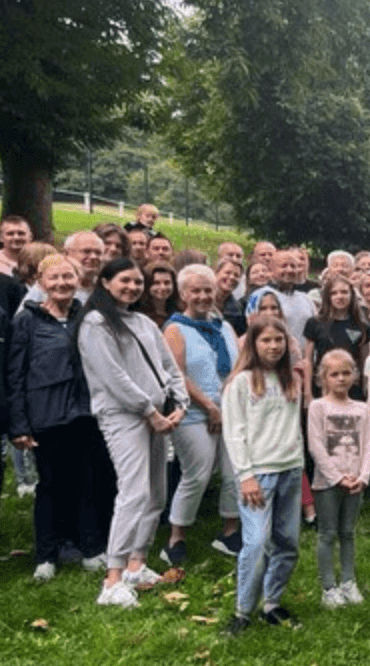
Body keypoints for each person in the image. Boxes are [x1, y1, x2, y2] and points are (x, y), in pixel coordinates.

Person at [78, 258, 188, 608]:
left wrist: (180, 403)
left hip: (159, 416)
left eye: (137, 282)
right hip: (124, 416)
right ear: (106, 282)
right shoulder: (96, 324)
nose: (132, 287)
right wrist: (149, 411)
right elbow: (112, 376)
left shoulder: (141, 321)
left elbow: (168, 366)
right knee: (134, 491)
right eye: (125, 281)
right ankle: (112, 578)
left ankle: (136, 564)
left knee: (157, 491)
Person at [6, 254, 115, 580]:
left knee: (88, 483)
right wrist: (19, 424)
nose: (62, 284)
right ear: (42, 282)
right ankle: (46, 554)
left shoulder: (88, 317)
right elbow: (16, 374)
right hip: (46, 414)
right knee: (51, 485)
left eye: (68, 277)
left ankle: (91, 549)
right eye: (54, 278)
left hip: (85, 414)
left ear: (78, 279)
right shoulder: (27, 321)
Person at [221, 316, 305, 634]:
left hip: (290, 470)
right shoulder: (241, 383)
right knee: (256, 543)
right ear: (253, 344)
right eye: (266, 340)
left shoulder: (290, 379)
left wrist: (298, 464)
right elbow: (234, 433)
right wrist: (246, 475)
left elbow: (293, 428)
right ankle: (243, 611)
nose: (273, 346)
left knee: (287, 543)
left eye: (279, 340)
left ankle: (272, 603)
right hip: (258, 475)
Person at [160, 265, 241, 566]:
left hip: (230, 411)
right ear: (183, 294)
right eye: (196, 290)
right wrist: (209, 406)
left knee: (235, 471)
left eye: (208, 290)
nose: (203, 296)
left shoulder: (225, 327)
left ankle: (229, 532)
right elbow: (177, 376)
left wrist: (227, 405)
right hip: (193, 413)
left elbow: (237, 369)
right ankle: (175, 538)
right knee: (198, 473)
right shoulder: (175, 329)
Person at [308, 350, 370, 608]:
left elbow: (368, 445)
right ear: (323, 377)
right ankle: (329, 587)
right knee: (327, 534)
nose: (341, 378)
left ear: (354, 376)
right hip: (327, 484)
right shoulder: (318, 407)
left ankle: (348, 581)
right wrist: (336, 478)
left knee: (348, 532)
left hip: (356, 481)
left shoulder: (362, 409)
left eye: (346, 373)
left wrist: (364, 477)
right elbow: (315, 445)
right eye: (334, 374)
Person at [303, 274, 370, 399]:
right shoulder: (315, 323)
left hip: (352, 388)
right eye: (334, 293)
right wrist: (307, 392)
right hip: (323, 387)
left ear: (352, 295)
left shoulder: (361, 326)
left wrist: (367, 390)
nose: (340, 296)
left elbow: (365, 362)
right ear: (327, 297)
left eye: (344, 292)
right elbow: (308, 360)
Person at [135, 261, 180, 328]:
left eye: (167, 283)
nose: (163, 287)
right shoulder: (138, 315)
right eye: (156, 283)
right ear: (147, 285)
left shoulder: (178, 312)